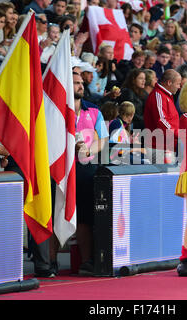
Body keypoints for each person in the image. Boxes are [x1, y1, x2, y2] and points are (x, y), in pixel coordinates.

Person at [73, 72, 109, 275]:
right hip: (61, 168)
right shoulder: (56, 110)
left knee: (86, 216)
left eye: (80, 83)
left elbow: (102, 138)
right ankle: (49, 263)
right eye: (75, 83)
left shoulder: (94, 110)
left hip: (87, 168)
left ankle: (87, 261)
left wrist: (89, 151)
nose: (79, 86)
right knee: (58, 214)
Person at [144, 69, 181, 164]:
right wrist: (178, 134)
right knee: (163, 177)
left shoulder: (165, 96)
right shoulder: (158, 96)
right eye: (177, 84)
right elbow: (162, 121)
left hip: (166, 147)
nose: (179, 87)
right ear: (169, 82)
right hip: (159, 148)